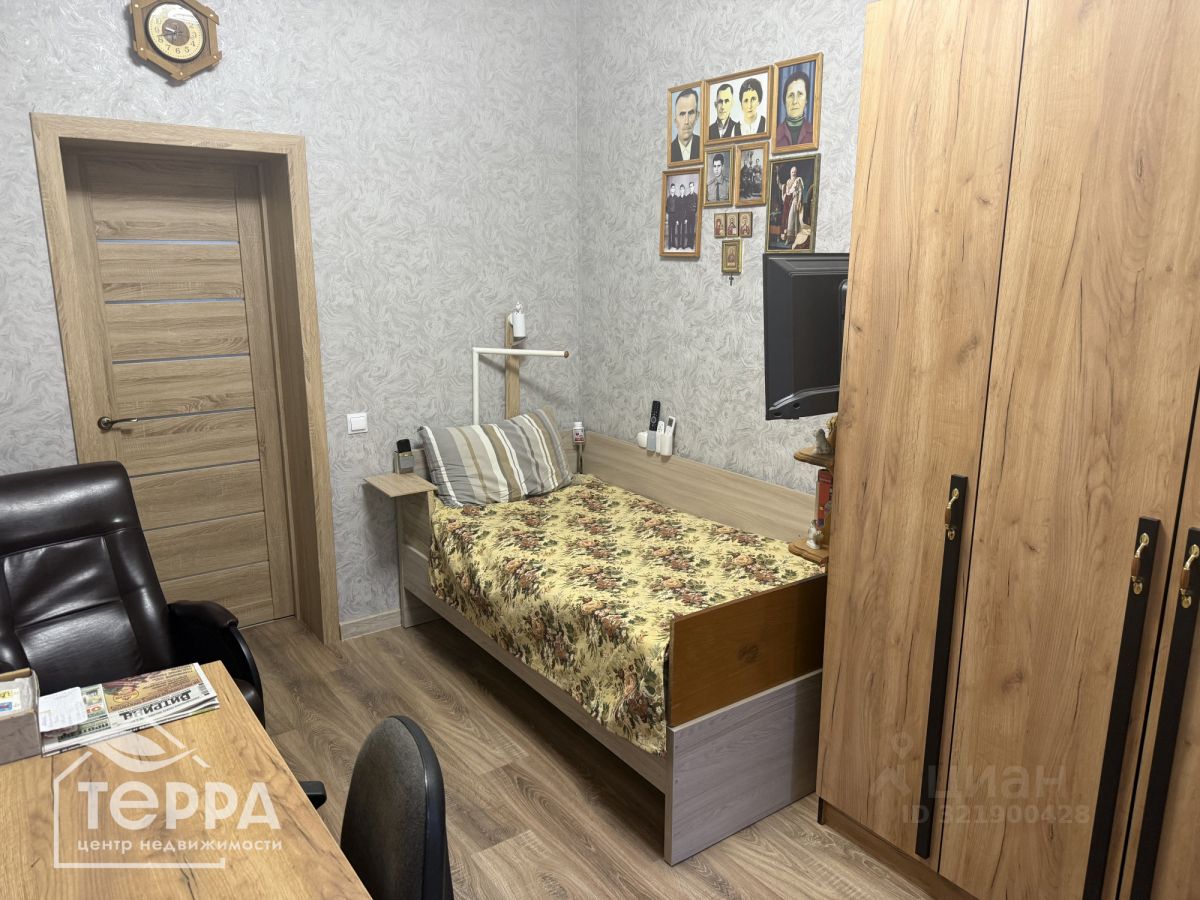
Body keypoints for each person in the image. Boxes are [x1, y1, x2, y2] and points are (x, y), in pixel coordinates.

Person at [777, 69, 814, 148]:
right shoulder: (775, 135)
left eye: (800, 94)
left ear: (806, 100)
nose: (795, 101)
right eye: (791, 95)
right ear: (784, 100)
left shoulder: (814, 133)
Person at [670, 89, 700, 162]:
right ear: (675, 121)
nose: (686, 121)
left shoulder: (703, 146)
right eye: (682, 114)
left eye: (691, 113)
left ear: (697, 116)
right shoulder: (669, 150)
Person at [779, 165, 805, 246]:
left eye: (795, 172)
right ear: (790, 173)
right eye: (792, 172)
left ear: (796, 173)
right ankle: (787, 238)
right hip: (788, 201)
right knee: (786, 219)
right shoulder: (788, 181)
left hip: (795, 200)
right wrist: (786, 195)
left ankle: (794, 238)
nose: (793, 173)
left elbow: (800, 192)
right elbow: (787, 192)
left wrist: (798, 202)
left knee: (792, 219)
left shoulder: (798, 180)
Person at [666, 184, 678, 248]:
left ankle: (673, 244)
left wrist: (676, 218)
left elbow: (678, 208)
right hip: (670, 215)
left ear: (675, 189)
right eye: (672, 188)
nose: (673, 189)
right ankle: (670, 244)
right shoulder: (668, 198)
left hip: (675, 215)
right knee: (670, 230)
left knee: (673, 230)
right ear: (670, 190)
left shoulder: (676, 198)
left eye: (674, 188)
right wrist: (669, 213)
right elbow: (666, 207)